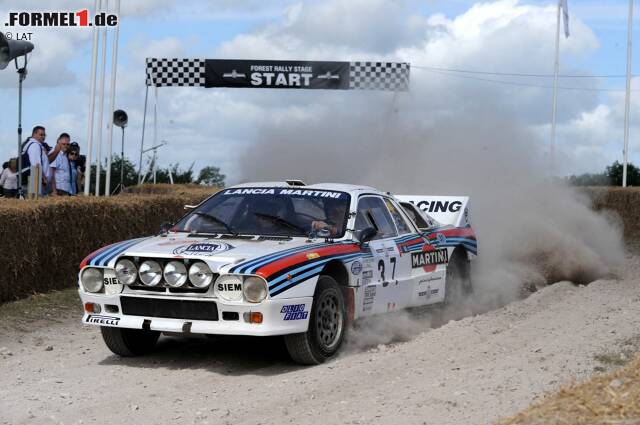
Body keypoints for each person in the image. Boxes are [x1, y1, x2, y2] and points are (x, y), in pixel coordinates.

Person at [21, 125, 49, 196]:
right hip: (34, 177)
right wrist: (43, 178)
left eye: (44, 135)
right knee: (34, 201)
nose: (43, 137)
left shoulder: (34, 144)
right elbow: (36, 164)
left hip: (34, 177)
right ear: (34, 134)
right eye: (41, 134)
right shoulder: (35, 145)